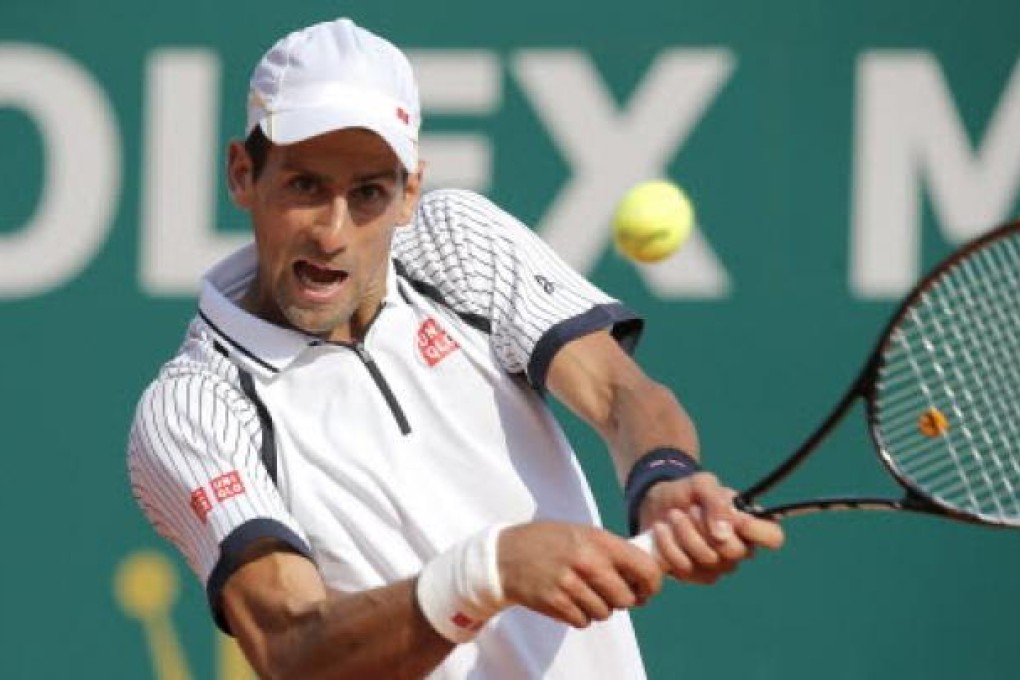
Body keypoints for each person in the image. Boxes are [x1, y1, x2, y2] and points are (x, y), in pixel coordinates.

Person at [127, 17, 784, 679]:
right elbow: (293, 650)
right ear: (243, 174)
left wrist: (661, 480)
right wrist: (487, 572)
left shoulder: (455, 243)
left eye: (368, 195)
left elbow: (618, 393)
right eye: (305, 186)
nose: (332, 233)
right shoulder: (193, 409)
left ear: (409, 192)